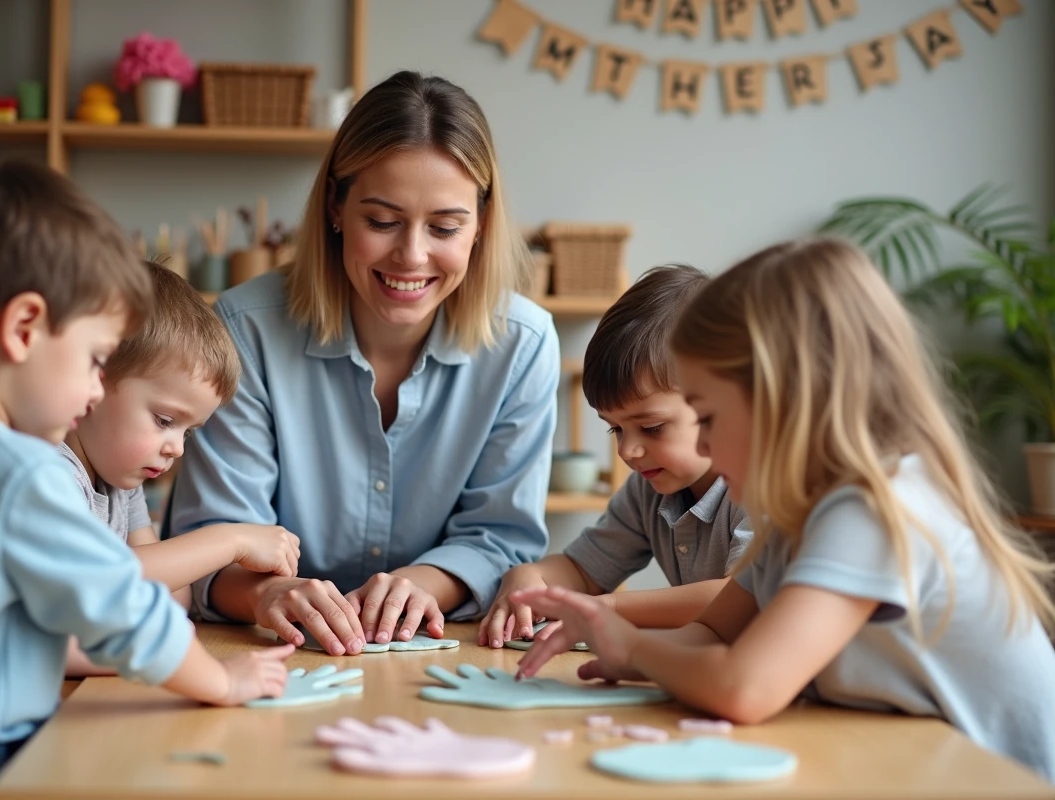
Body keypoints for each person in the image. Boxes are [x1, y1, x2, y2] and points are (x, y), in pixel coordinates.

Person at [513, 238, 1055, 781]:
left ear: (785, 406)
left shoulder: (871, 508)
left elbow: (745, 688)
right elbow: (715, 633)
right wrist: (618, 649)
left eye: (710, 419)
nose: (702, 449)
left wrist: (628, 639)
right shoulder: (792, 517)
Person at [0, 162, 292, 798]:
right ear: (23, 328)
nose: (96, 388)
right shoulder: (18, 472)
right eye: (93, 359)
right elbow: (127, 610)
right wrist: (226, 683)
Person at [168, 70, 560, 656]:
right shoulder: (245, 328)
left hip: (435, 650)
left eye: (446, 227)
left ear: (480, 225)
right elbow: (210, 542)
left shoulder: (523, 343)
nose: (412, 255)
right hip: (263, 652)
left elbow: (503, 537)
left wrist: (419, 586)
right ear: (335, 206)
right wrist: (266, 595)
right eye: (382, 221)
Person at [478, 265, 750, 648]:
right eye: (615, 428)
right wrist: (530, 579)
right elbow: (583, 570)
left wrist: (607, 608)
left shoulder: (762, 485)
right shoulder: (648, 490)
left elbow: (738, 600)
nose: (627, 451)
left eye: (652, 427)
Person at [61, 261, 301, 676]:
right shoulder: (49, 473)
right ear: (92, 382)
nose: (175, 449)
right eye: (165, 421)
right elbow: (105, 584)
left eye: (189, 432)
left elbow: (172, 597)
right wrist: (232, 540)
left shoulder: (123, 480)